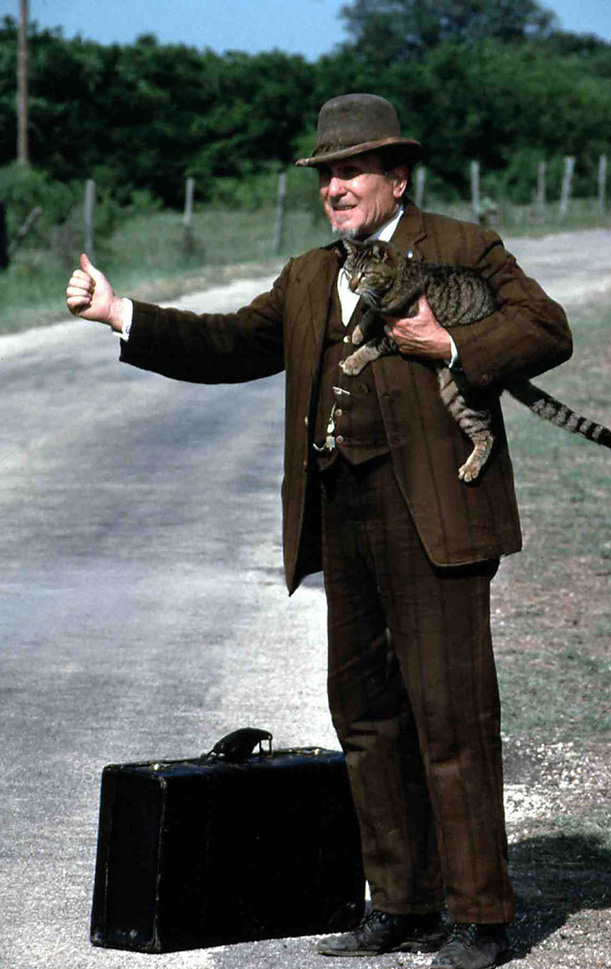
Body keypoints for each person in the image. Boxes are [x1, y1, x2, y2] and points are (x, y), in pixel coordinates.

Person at [66, 93, 572, 969]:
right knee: (367, 717)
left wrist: (447, 342)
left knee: (451, 716)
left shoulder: (461, 247)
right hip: (344, 518)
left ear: (396, 176)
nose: (336, 186)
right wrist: (121, 313)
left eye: (352, 170)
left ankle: (480, 917)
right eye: (325, 172)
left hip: (438, 518)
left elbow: (544, 328)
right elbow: (228, 343)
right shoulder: (310, 276)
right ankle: (402, 904)